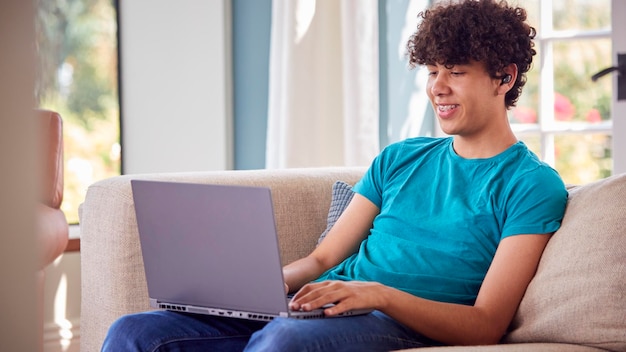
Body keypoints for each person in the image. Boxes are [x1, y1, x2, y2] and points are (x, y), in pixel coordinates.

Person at [102, 0, 568, 350]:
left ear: (503, 78)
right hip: (324, 308)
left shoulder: (531, 185)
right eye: (431, 71)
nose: (437, 87)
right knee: (136, 331)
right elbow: (322, 259)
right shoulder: (400, 159)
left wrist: (379, 295)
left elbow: (486, 323)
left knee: (284, 340)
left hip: (395, 321)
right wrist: (246, 288)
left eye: (456, 72)